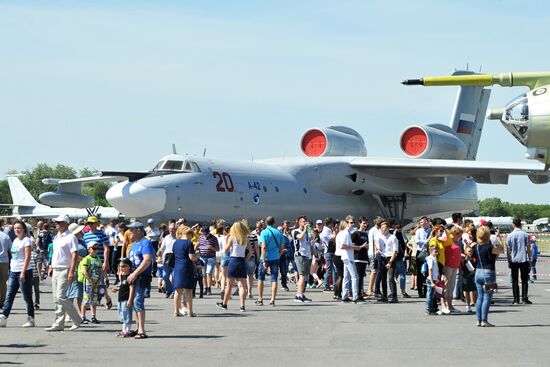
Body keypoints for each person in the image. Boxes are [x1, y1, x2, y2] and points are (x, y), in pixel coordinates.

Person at [45, 215, 82, 331]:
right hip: (56, 269)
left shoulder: (71, 237)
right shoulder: (57, 237)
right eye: (56, 222)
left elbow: (74, 254)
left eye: (59, 222)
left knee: (61, 297)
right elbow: (55, 253)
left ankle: (77, 318)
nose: (57, 224)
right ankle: (59, 323)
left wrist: (71, 271)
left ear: (66, 224)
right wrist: (50, 266)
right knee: (56, 298)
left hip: (65, 269)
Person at [0, 220, 35, 328]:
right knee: (9, 295)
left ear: (24, 229)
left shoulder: (26, 241)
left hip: (23, 271)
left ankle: (31, 318)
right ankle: (4, 317)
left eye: (19, 228)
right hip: (13, 271)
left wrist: (23, 272)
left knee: (27, 296)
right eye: (15, 228)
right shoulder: (15, 240)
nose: (17, 230)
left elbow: (27, 257)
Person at [127, 221, 154, 339]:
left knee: (138, 301)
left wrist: (135, 273)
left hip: (142, 276)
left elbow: (147, 260)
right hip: (133, 276)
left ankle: (142, 330)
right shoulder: (133, 244)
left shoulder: (145, 243)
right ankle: (138, 327)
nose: (130, 232)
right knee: (134, 302)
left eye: (132, 229)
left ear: (139, 230)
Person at [473, 225, 503, 327]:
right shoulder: (489, 247)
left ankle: (478, 319)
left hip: (478, 272)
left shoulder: (475, 247)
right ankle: (484, 320)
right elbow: (501, 250)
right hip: (488, 273)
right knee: (487, 297)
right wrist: (499, 238)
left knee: (479, 297)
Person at [217, 221, 250, 311]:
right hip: (241, 260)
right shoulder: (245, 238)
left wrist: (227, 240)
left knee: (229, 285)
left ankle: (224, 303)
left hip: (233, 260)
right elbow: (250, 251)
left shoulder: (232, 237)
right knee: (241, 285)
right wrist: (245, 260)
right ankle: (242, 306)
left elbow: (226, 250)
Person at [258, 216, 285, 306]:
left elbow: (263, 246)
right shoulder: (279, 233)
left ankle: (260, 298)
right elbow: (282, 248)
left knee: (261, 278)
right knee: (274, 278)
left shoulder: (264, 232)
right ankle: (272, 299)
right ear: (274, 223)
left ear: (266, 222)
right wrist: (278, 255)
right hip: (275, 258)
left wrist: (264, 260)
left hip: (265, 258)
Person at [173, 226, 198, 317]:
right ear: (189, 234)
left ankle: (176, 310)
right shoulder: (189, 243)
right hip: (186, 267)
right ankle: (190, 311)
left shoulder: (176, 242)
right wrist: (197, 255)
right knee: (188, 291)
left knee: (178, 291)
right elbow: (191, 257)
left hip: (177, 267)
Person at [506, 218, 532, 305]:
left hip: (514, 259)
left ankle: (516, 299)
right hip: (523, 259)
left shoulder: (510, 235)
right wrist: (530, 259)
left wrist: (508, 259)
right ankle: (524, 298)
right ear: (520, 224)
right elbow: (528, 248)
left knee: (515, 280)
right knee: (524, 279)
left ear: (513, 225)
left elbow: (508, 249)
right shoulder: (525, 234)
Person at [336, 217, 361, 303]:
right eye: (351, 222)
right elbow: (342, 246)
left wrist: (353, 246)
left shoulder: (345, 233)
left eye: (353, 222)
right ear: (347, 223)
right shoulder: (346, 233)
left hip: (346, 257)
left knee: (346, 277)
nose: (353, 224)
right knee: (354, 277)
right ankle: (355, 296)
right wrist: (354, 247)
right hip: (348, 257)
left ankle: (345, 296)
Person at [79, 241, 103, 324]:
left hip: (96, 282)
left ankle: (93, 316)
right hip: (88, 282)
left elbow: (100, 270)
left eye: (97, 248)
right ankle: (82, 316)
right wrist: (90, 280)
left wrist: (99, 280)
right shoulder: (87, 259)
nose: (96, 250)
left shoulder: (98, 258)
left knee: (94, 300)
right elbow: (84, 271)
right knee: (86, 299)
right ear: (89, 249)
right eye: (94, 248)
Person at [111, 257, 135, 337]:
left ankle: (127, 331)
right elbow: (122, 286)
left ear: (129, 267)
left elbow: (131, 289)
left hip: (126, 298)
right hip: (120, 298)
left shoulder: (130, 277)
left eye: (124, 266)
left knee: (127, 315)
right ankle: (123, 330)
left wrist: (130, 300)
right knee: (122, 315)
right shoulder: (122, 276)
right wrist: (117, 289)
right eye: (120, 266)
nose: (121, 268)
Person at [292, 215, 312, 303]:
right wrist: (305, 230)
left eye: (306, 221)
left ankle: (301, 294)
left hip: (306, 255)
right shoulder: (295, 231)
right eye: (303, 222)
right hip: (300, 255)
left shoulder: (307, 232)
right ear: (299, 223)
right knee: (302, 276)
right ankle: (298, 295)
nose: (305, 223)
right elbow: (299, 237)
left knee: (305, 276)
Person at [377, 222, 398, 303]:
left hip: (391, 258)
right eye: (381, 227)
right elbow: (377, 246)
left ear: (388, 228)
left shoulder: (393, 238)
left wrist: (390, 262)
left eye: (385, 227)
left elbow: (395, 251)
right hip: (382, 258)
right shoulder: (379, 237)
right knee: (383, 278)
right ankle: (384, 296)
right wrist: (378, 250)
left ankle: (394, 296)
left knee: (391, 278)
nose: (383, 229)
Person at [195, 226, 219, 296]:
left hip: (211, 257)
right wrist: (195, 249)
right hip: (202, 257)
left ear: (208, 232)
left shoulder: (214, 238)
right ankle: (205, 288)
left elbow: (217, 249)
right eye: (203, 233)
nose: (204, 235)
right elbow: (197, 245)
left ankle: (209, 288)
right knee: (203, 273)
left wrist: (212, 248)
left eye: (205, 234)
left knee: (209, 272)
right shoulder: (201, 237)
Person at [157, 220, 177, 298]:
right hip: (166, 260)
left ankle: (175, 291)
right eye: (170, 229)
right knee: (165, 276)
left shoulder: (178, 238)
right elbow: (162, 248)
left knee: (174, 276)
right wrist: (159, 254)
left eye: (173, 229)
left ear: (176, 229)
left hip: (175, 260)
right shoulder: (166, 238)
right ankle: (169, 290)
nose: (171, 230)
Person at [414, 216, 431, 298]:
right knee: (420, 272)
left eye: (424, 222)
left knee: (428, 272)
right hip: (420, 252)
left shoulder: (431, 230)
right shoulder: (418, 231)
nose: (423, 224)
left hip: (429, 252)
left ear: (428, 222)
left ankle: (427, 290)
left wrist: (424, 242)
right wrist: (426, 241)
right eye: (421, 222)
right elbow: (417, 241)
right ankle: (420, 291)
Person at [320, 217, 336, 292]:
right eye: (333, 223)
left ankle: (333, 284)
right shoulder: (327, 230)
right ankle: (327, 285)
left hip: (328, 251)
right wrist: (335, 231)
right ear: (330, 223)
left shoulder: (324, 229)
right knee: (330, 269)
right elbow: (333, 238)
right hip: (329, 251)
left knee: (331, 269)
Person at [425, 245, 440, 315]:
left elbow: (436, 269)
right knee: (430, 295)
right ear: (431, 251)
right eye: (435, 250)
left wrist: (438, 276)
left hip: (434, 279)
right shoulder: (430, 259)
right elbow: (430, 270)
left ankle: (432, 308)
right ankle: (428, 309)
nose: (437, 251)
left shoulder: (434, 258)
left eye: (437, 249)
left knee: (433, 295)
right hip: (431, 280)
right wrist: (431, 282)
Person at [461, 246, 477, 313]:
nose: (470, 252)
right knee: (466, 291)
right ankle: (468, 305)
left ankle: (473, 302)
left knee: (473, 290)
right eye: (469, 251)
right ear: (465, 252)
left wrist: (474, 271)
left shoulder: (474, 259)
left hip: (473, 277)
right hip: (465, 277)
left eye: (471, 251)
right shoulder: (463, 260)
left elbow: (476, 267)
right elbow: (460, 267)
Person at [0, 229, 12, 307]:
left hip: (4, 260)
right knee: (3, 283)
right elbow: (11, 249)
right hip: (4, 261)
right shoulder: (5, 236)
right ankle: (2, 301)